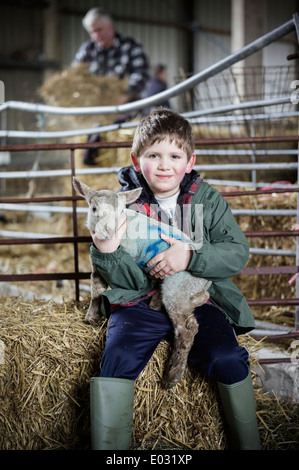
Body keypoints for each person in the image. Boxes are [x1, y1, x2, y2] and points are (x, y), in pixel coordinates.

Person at [88, 108, 261, 450]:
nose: (165, 165)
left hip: (199, 300)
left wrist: (190, 256)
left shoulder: (207, 200)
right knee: (116, 360)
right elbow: (121, 276)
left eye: (174, 155)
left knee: (225, 359)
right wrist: (106, 250)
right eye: (153, 155)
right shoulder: (121, 206)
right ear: (137, 161)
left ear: (189, 160)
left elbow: (237, 251)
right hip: (140, 302)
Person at [73, 7, 150, 164]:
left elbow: (141, 75)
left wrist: (123, 96)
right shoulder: (87, 50)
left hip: (129, 109)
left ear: (110, 27)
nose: (96, 35)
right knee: (89, 155)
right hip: (98, 112)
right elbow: (74, 78)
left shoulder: (130, 46)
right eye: (92, 32)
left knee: (136, 144)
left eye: (99, 30)